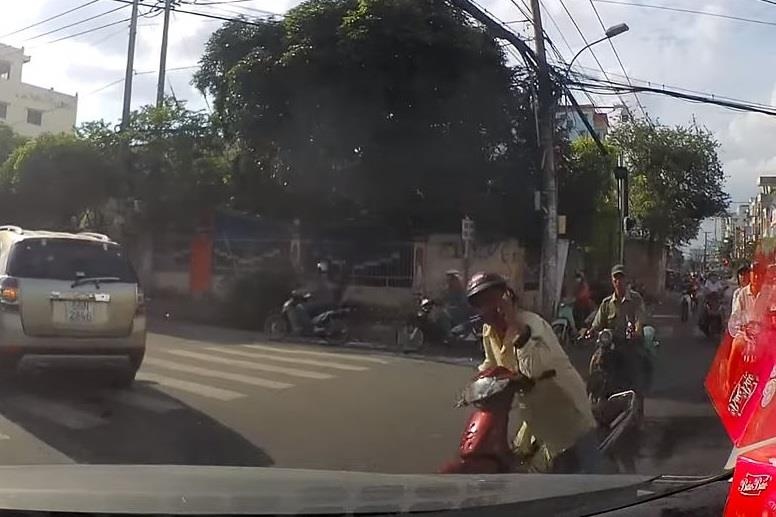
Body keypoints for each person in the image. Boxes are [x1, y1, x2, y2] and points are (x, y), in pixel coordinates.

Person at [465, 272, 601, 474]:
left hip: (566, 414)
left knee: (586, 482)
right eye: (480, 304)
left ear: (506, 298)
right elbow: (492, 363)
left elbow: (535, 367)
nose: (487, 309)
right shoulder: (489, 332)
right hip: (534, 418)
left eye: (491, 300)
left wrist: (516, 326)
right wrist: (478, 382)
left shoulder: (532, 324)